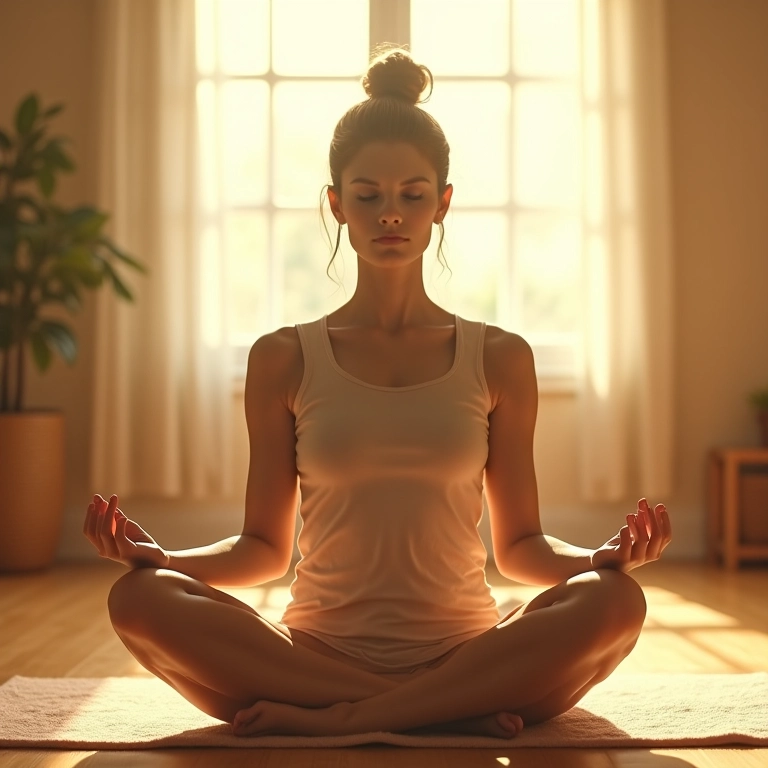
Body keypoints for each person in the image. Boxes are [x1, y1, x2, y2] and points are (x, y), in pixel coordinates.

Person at [83, 45, 672, 740]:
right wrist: (167, 561)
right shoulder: (283, 359)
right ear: (336, 205)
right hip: (316, 655)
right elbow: (264, 548)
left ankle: (347, 719)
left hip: (468, 651)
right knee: (140, 600)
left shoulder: (502, 358)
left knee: (615, 603)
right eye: (367, 196)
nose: (390, 214)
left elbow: (518, 547)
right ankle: (442, 711)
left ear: (442, 204)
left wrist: (598, 559)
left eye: (412, 196)